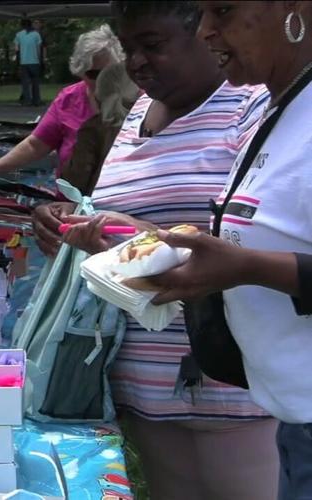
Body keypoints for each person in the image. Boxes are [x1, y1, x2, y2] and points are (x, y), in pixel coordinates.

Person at [35, 2, 279, 499]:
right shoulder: (138, 113)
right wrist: (75, 225)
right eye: (129, 49)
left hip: (229, 382)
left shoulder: (250, 107)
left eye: (154, 44)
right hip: (142, 378)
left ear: (206, 34)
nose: (138, 63)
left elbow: (258, 242)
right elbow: (116, 211)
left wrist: (134, 232)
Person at [139, 2, 312, 498]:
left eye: (224, 10)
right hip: (293, 420)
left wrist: (247, 267)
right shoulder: (280, 104)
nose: (207, 31)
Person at [0, 25, 123, 185]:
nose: (104, 80)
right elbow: (35, 145)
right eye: (94, 74)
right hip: (71, 201)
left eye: (110, 72)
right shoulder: (68, 100)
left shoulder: (139, 100)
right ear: (80, 71)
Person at [60, 62, 139, 195]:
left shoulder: (92, 130)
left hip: (102, 207)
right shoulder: (152, 124)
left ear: (98, 95)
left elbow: (75, 182)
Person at [15, 18, 43, 106]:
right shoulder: (36, 34)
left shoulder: (18, 35)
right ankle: (36, 100)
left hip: (24, 62)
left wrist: (18, 60)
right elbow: (38, 48)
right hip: (34, 61)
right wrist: (39, 59)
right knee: (35, 82)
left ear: (22, 25)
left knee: (25, 83)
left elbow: (16, 49)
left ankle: (27, 101)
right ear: (31, 25)